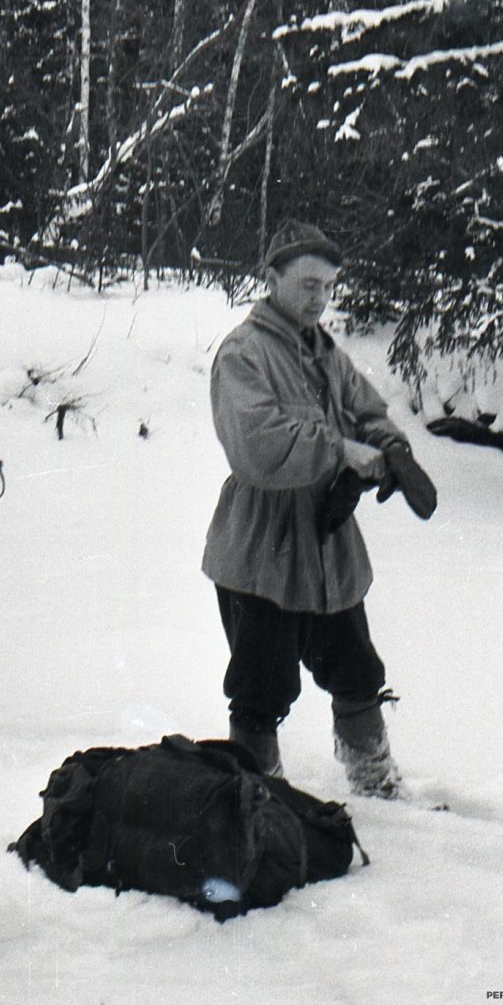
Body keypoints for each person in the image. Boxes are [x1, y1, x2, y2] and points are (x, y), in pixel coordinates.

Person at [202, 220, 437, 798]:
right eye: (308, 284)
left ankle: (376, 781)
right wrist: (342, 452)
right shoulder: (243, 353)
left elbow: (367, 408)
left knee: (356, 669)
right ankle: (259, 800)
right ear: (271, 278)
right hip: (265, 541)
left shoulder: (325, 352)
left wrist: (390, 446)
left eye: (328, 286)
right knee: (261, 687)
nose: (319, 297)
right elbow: (257, 446)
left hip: (328, 536)